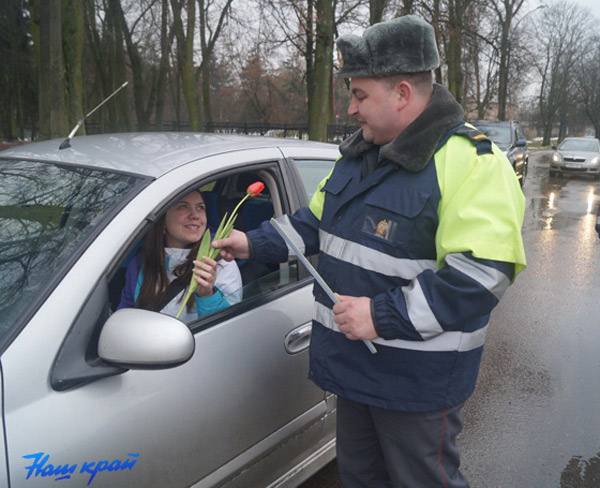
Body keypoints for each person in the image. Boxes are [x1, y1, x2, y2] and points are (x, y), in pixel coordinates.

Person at [213, 15, 526, 488]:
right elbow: (313, 226)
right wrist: (251, 244)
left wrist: (381, 316)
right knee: (360, 478)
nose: (351, 109)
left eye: (360, 95)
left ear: (402, 93)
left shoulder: (471, 161)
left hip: (416, 381)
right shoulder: (358, 157)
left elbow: (482, 274)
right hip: (354, 368)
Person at [118, 189, 242, 322]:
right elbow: (125, 316)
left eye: (200, 208)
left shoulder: (221, 262)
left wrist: (207, 295)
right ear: (162, 220)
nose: (195, 215)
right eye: (183, 206)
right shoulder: (140, 262)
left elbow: (228, 327)